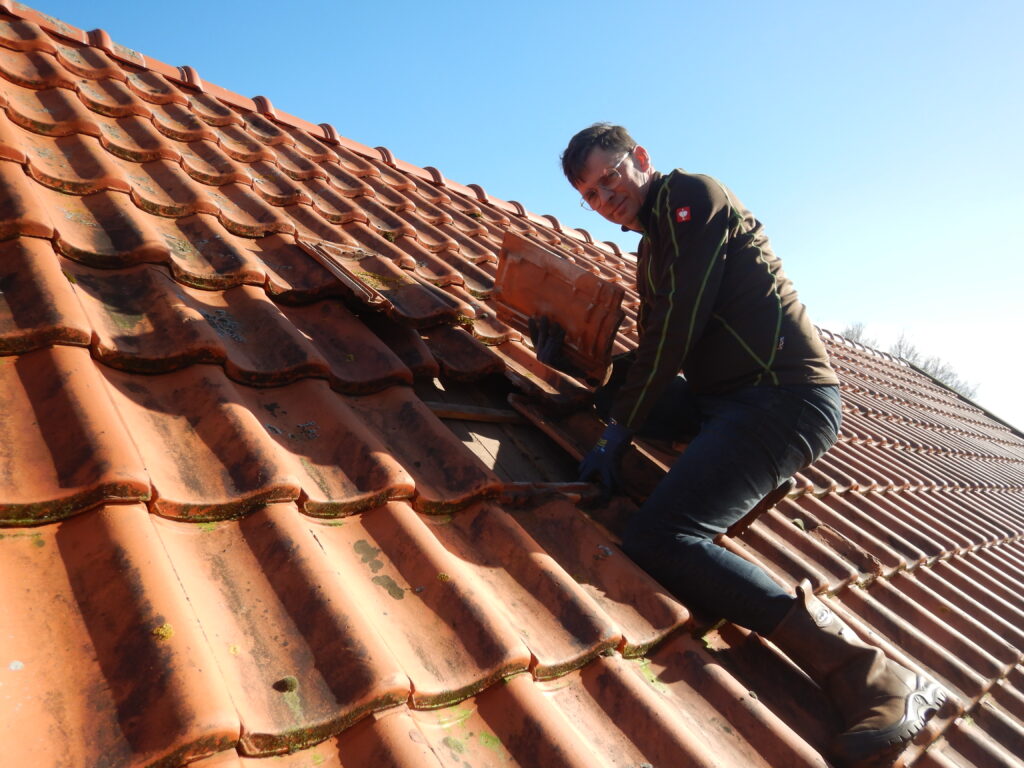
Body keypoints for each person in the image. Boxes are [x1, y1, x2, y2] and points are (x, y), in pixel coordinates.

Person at [538, 123, 947, 766]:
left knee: (661, 537)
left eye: (609, 177)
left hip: (784, 399)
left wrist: (620, 433)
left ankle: (876, 677)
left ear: (640, 159)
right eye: (589, 194)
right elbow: (653, 358)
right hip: (721, 400)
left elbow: (675, 332)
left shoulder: (694, 199)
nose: (603, 198)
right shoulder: (651, 252)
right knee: (617, 386)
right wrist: (585, 374)